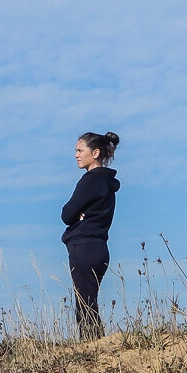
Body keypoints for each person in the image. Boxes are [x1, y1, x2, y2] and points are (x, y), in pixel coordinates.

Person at [61, 131, 120, 341]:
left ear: (95, 153)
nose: (76, 155)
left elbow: (66, 214)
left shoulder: (90, 181)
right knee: (89, 301)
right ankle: (95, 346)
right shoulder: (107, 183)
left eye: (80, 150)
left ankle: (93, 348)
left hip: (84, 248)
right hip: (100, 249)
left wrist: (77, 216)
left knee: (85, 305)